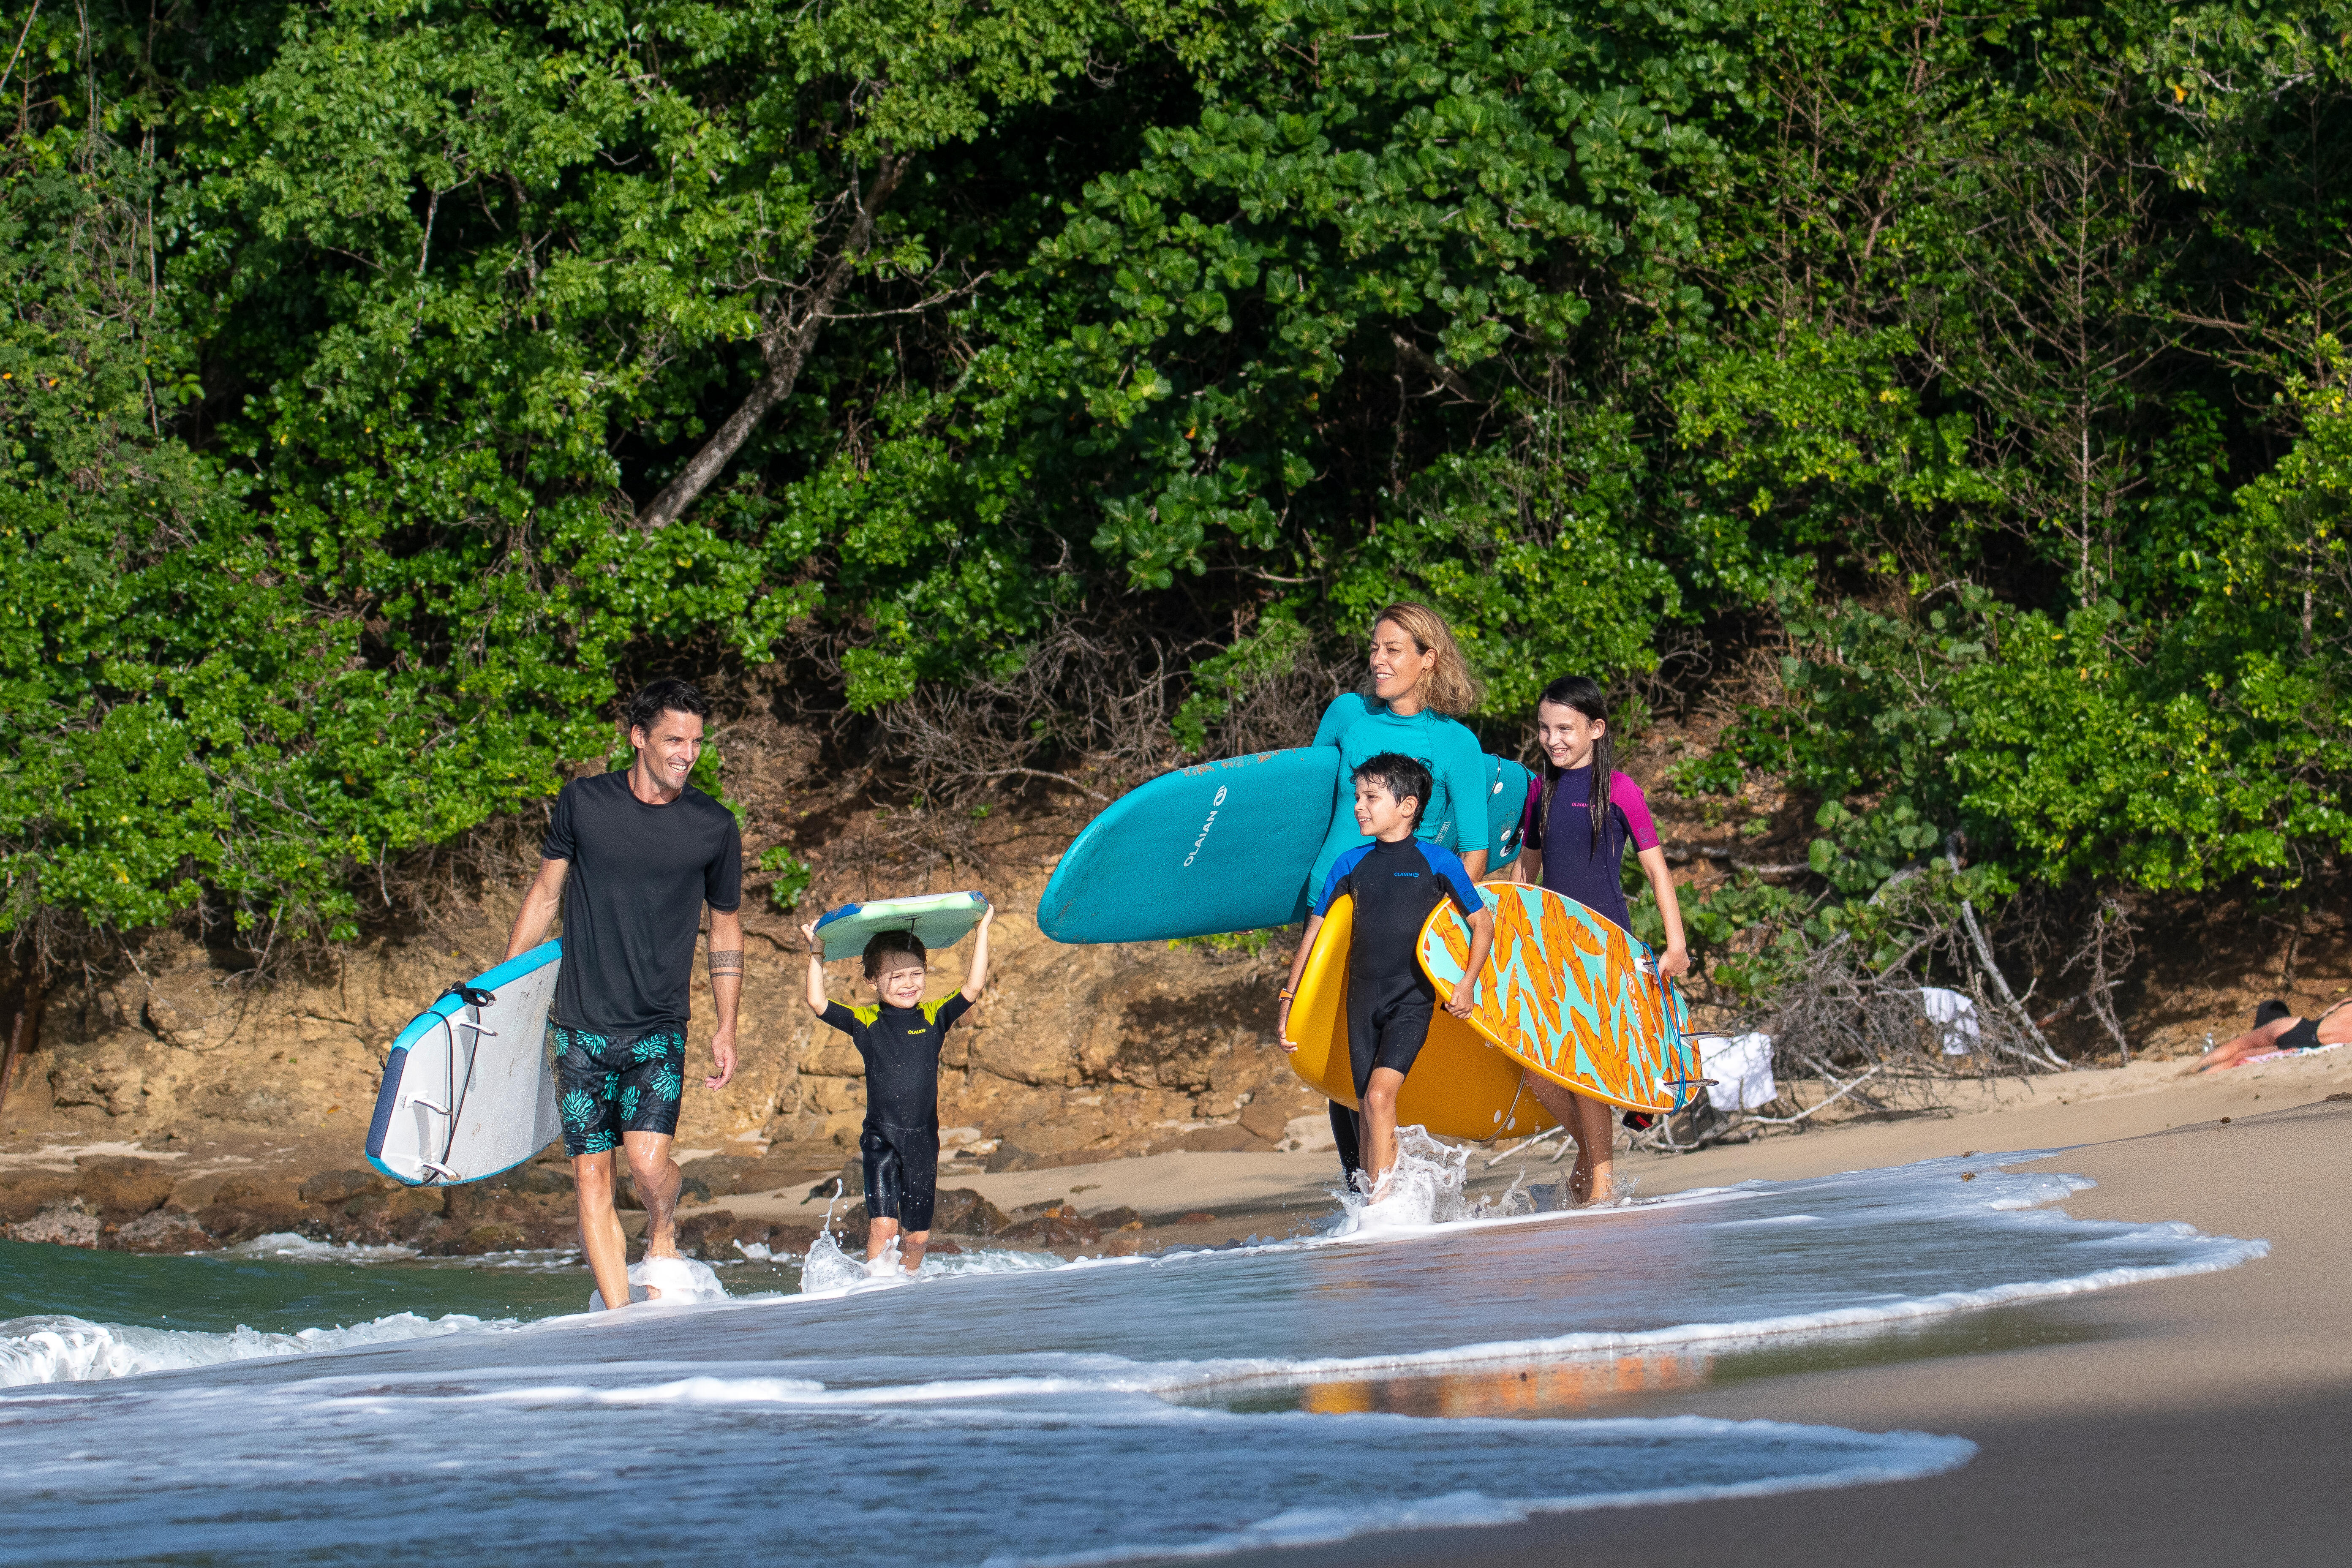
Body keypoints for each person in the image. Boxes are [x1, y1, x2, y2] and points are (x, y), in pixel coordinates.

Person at [503, 678, 743, 1309]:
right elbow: (546, 896)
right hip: (579, 1023)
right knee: (590, 1176)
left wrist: (726, 1025)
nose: (687, 754)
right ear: (638, 737)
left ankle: (664, 1224)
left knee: (645, 1165)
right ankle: (620, 1321)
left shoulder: (713, 827)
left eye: (696, 742)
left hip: (659, 1025)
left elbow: (724, 926)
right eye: (673, 740)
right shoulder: (584, 803)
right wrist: (502, 987)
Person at [1305, 603, 1495, 1180]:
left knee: (1389, 1052)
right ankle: (1361, 1188)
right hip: (1332, 907)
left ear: (1428, 659)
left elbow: (1476, 847)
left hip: (1404, 914)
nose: (1379, 659)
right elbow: (1308, 808)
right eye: (1375, 648)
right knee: (1342, 1056)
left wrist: (1445, 919)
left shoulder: (1455, 742)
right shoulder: (1346, 715)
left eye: (1394, 649)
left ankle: (1388, 1184)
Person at [1277, 754, 1494, 1199]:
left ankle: (1382, 1209)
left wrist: (1467, 982)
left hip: (1411, 1000)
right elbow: (1313, 940)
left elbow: (1484, 923)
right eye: (1357, 797)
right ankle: (1379, 1210)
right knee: (1365, 1110)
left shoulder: (1438, 862)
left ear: (1408, 806)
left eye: (1371, 797)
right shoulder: (1349, 864)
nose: (1359, 806)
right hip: (1361, 1002)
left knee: (1379, 1097)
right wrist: (1288, 1001)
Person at [1506, 675, 1688, 1206]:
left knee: (1585, 1067)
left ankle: (1600, 1188)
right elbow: (1528, 870)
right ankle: (1590, 1156)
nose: (1553, 739)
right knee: (1536, 1066)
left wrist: (1674, 946)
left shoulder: (1621, 789)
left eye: (1565, 728)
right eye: (1544, 728)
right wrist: (1511, 932)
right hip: (1551, 946)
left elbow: (1658, 872)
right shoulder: (1542, 790)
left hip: (1606, 946)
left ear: (1597, 729)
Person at [799, 906, 994, 1273]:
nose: (909, 983)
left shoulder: (934, 1016)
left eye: (916, 974)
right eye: (897, 976)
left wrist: (981, 930)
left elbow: (973, 987)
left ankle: (906, 1289)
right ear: (873, 981)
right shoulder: (866, 1021)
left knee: (917, 1237)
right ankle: (875, 1294)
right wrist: (817, 953)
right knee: (884, 1227)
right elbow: (818, 1003)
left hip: (923, 1141)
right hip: (881, 1139)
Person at [2190, 998, 2352, 1073]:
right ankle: (2205, 1075)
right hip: (2310, 1044)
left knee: (2237, 1047)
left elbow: (2324, 1016)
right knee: (2239, 1057)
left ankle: (2194, 1069)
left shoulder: (2347, 1002)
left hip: (2301, 1027)